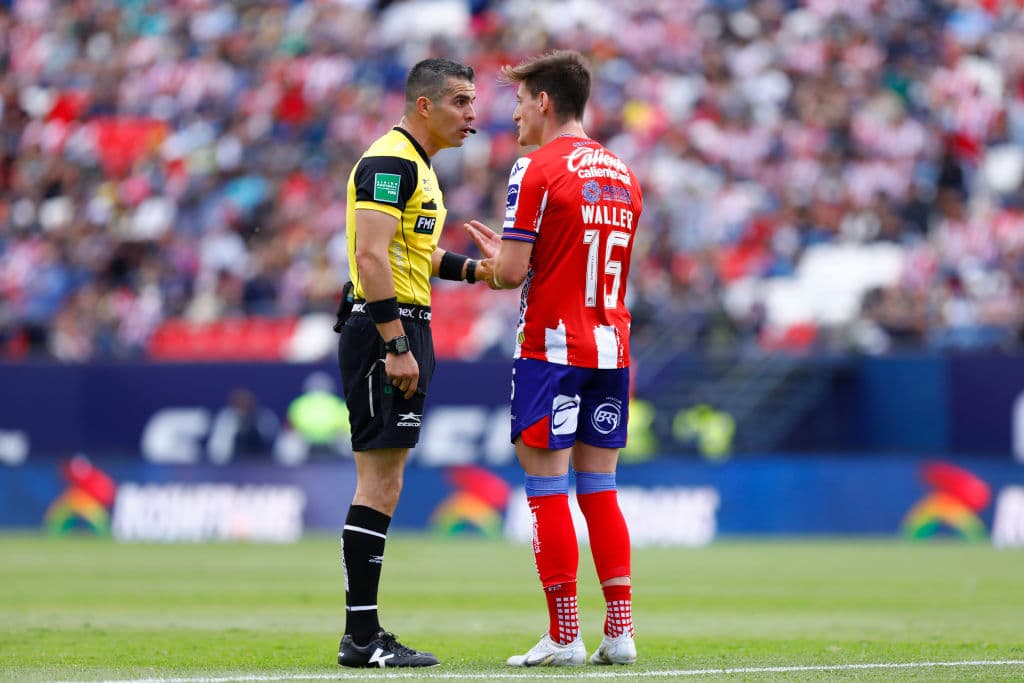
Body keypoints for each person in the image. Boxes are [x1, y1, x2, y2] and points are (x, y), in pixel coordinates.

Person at [465, 50, 643, 667]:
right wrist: (521, 254)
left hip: (551, 350)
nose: (514, 113)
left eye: (519, 101)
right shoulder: (622, 172)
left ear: (544, 101)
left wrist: (492, 263)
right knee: (600, 489)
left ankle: (564, 635)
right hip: (611, 347)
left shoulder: (534, 167)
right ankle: (619, 632)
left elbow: (512, 274)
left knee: (546, 490)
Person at [334, 57, 493, 669]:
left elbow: (414, 254)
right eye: (460, 101)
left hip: (404, 323)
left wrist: (476, 271)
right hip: (387, 329)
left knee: (387, 482)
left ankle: (362, 634)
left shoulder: (418, 168)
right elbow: (371, 258)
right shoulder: (390, 162)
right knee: (378, 483)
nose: (472, 115)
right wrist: (396, 344)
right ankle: (362, 638)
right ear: (424, 105)